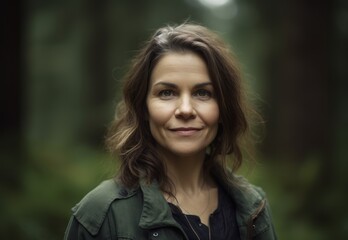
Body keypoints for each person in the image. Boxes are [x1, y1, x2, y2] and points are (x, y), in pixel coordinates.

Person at [64, 22, 277, 240]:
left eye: (203, 93)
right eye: (167, 93)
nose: (185, 110)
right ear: (143, 107)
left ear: (223, 108)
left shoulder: (253, 208)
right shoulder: (100, 214)